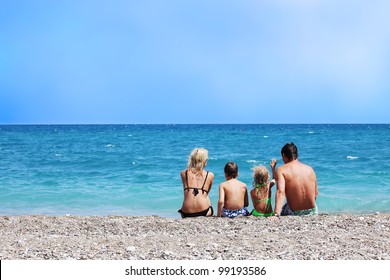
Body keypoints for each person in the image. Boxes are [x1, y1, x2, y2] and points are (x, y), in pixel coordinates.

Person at [272, 142, 318, 218]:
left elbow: (280, 192)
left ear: (283, 155)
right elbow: (315, 193)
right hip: (313, 211)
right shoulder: (310, 169)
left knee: (284, 208)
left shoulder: (281, 170)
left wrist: (276, 214)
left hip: (295, 213)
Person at [178, 148, 215, 218]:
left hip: (186, 212)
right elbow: (206, 194)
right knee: (205, 195)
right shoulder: (210, 175)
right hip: (204, 211)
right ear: (204, 161)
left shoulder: (183, 173)